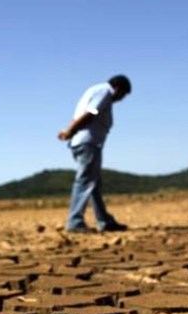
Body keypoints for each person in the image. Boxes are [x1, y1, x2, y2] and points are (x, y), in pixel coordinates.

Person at [57, 75, 132, 233]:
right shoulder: (104, 92)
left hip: (83, 142)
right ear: (118, 88)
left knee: (93, 184)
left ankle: (104, 221)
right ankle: (75, 222)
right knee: (85, 182)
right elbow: (91, 112)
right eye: (123, 95)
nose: (121, 99)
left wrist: (69, 130)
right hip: (88, 143)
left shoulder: (94, 90)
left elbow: (81, 114)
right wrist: (70, 130)